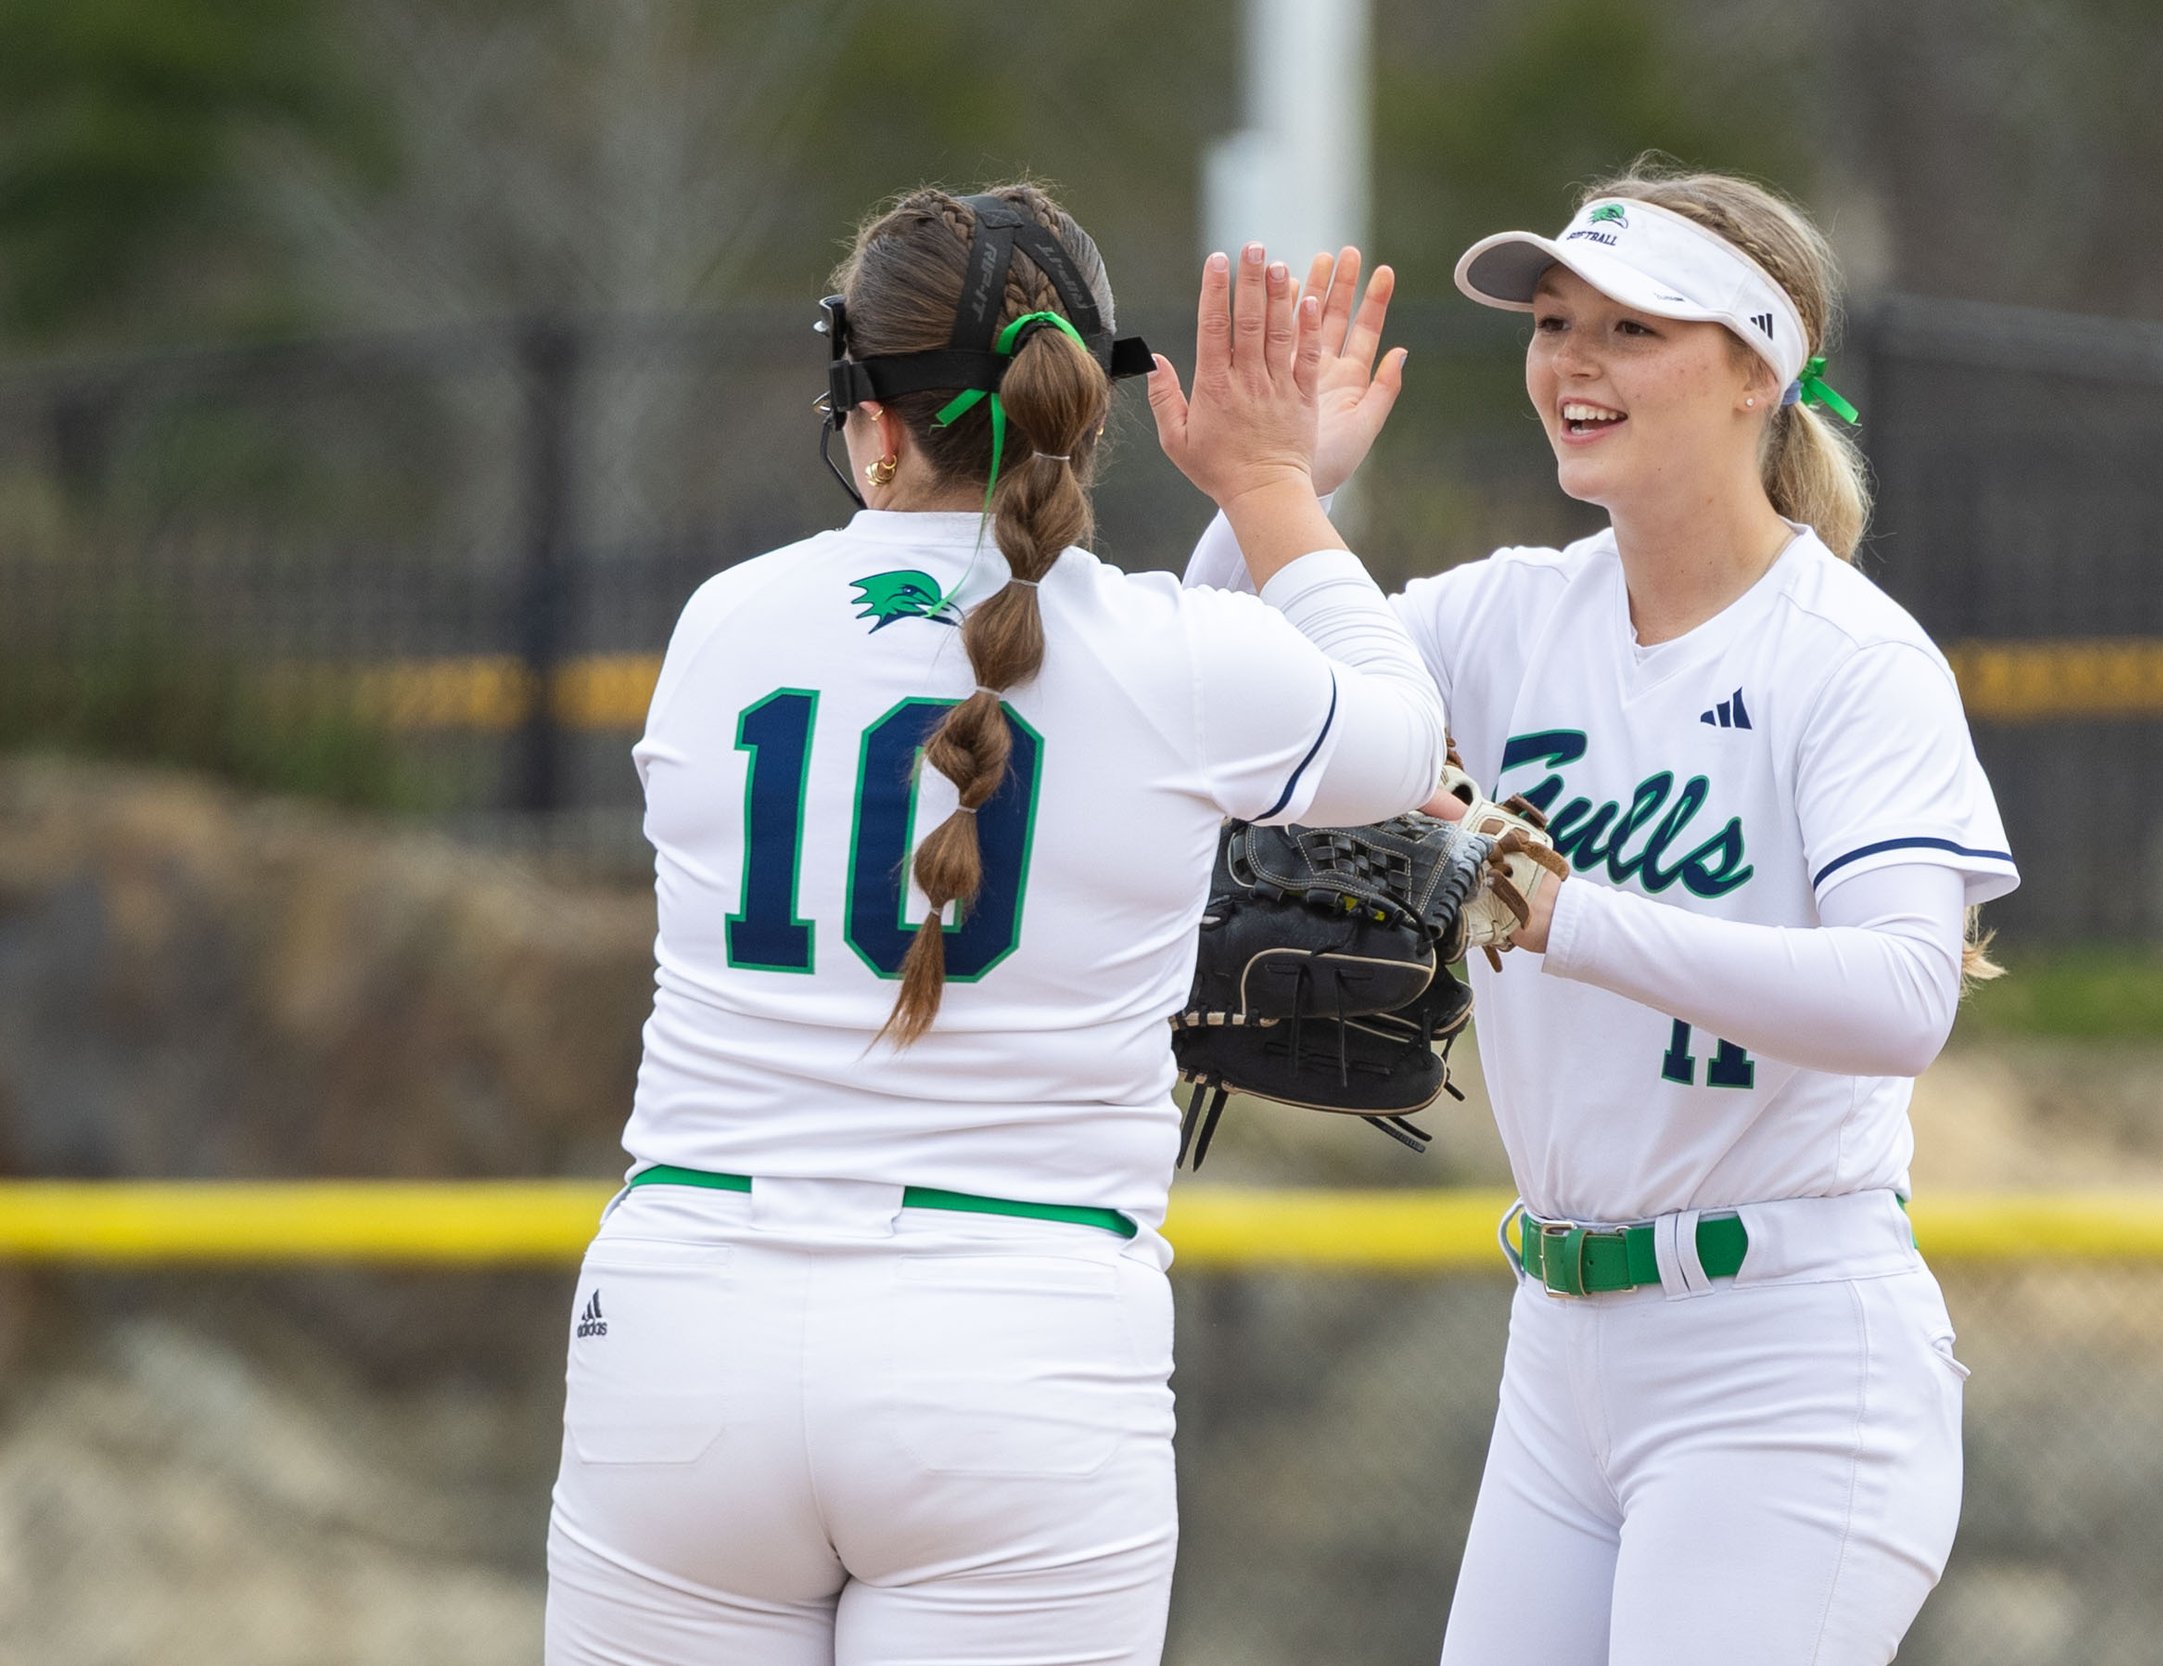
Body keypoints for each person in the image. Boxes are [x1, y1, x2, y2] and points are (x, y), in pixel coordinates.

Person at [544, 183, 1440, 1666]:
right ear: (1083, 407)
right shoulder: (1177, 656)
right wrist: (1273, 489)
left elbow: (1050, 670)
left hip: (687, 1316)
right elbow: (1393, 736)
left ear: (871, 421)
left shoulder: (721, 623)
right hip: (1014, 1336)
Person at [1186, 165, 2017, 1664]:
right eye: (1554, 322)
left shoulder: (1851, 657)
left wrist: (1563, 916)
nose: (1574, 359)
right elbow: (1223, 697)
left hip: (1782, 1356)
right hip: (1558, 1347)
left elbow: (1906, 999)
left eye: (1633, 328)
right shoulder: (1505, 616)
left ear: (1757, 371)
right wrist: (1283, 493)